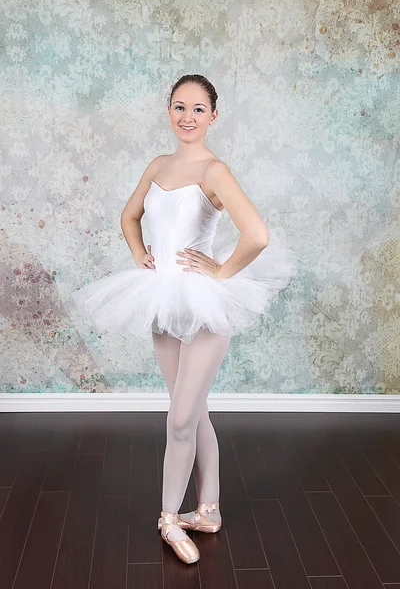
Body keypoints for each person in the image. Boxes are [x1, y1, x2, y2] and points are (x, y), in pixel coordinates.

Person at [71, 74, 297, 565]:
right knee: (192, 411)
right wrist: (141, 255)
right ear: (168, 111)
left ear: (213, 116)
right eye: (179, 107)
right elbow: (129, 217)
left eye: (198, 109)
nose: (188, 117)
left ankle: (169, 517)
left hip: (204, 303)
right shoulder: (158, 165)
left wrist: (220, 272)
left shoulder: (214, 171)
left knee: (178, 420)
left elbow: (256, 235)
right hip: (161, 297)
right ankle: (209, 509)